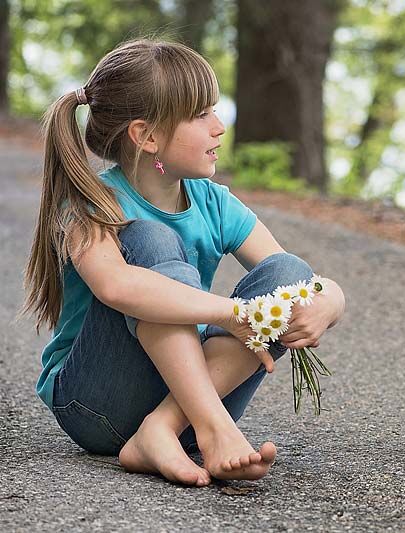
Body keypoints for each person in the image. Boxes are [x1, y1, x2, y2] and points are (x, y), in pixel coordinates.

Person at [22, 40, 346, 486]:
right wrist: (233, 313)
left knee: (288, 273)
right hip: (98, 405)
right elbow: (116, 287)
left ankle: (164, 429)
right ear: (147, 136)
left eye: (215, 111)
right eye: (200, 115)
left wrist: (330, 300)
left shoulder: (214, 203)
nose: (219, 128)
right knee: (150, 238)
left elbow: (295, 277)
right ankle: (210, 428)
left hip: (191, 405)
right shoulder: (90, 204)